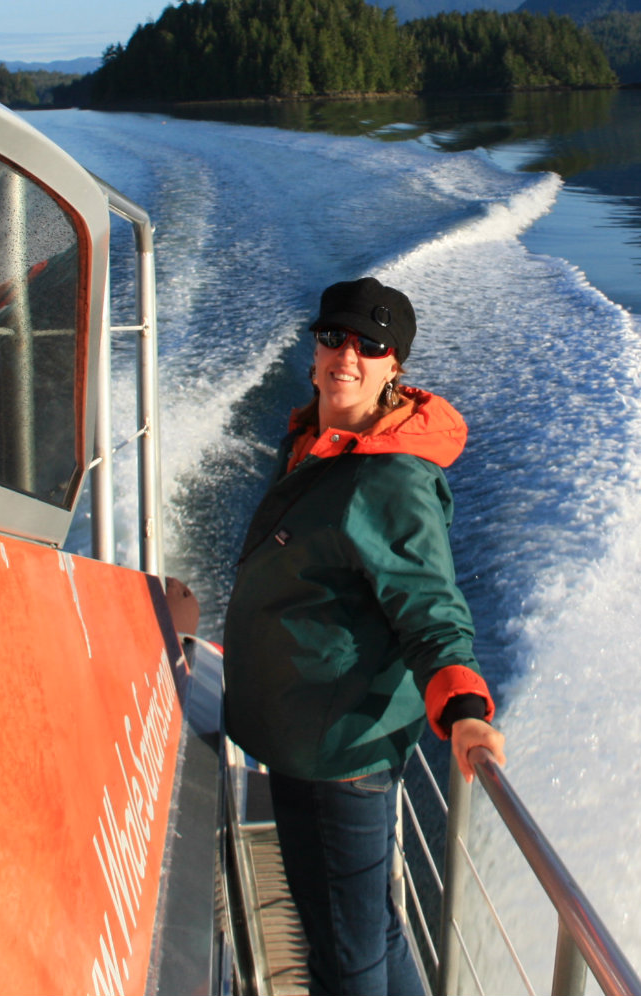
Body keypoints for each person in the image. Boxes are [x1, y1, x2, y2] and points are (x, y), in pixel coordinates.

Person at [224, 276, 505, 996]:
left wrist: (465, 711)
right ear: (314, 349)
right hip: (314, 735)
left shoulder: (390, 479)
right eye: (334, 338)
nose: (348, 356)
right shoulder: (318, 438)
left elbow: (433, 610)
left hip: (334, 755)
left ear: (394, 367)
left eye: (371, 346)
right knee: (371, 932)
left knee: (343, 960)